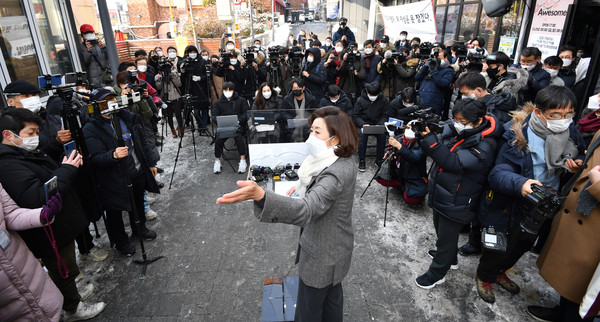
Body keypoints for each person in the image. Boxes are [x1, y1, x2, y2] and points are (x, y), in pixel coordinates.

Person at [216, 106, 360, 322]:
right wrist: (304, 188)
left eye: (317, 132)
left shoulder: (335, 173)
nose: (311, 136)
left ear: (335, 138)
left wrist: (262, 196)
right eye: (311, 130)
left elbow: (307, 209)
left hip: (323, 257)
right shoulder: (338, 158)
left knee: (307, 312)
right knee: (331, 303)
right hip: (337, 251)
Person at [474, 86, 585, 304]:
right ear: (538, 113)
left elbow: (579, 150)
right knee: (497, 244)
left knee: (523, 243)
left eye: (568, 115)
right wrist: (521, 182)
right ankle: (485, 276)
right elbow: (497, 174)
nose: (563, 120)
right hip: (510, 199)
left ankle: (500, 271)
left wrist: (576, 162)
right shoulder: (515, 135)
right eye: (556, 116)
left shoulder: (569, 132)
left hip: (543, 202)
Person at [0, 107, 106, 321]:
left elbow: (40, 171)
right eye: (30, 133)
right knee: (61, 267)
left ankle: (71, 294)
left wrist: (56, 147)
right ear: (8, 135)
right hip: (47, 231)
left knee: (67, 264)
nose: (35, 138)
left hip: (58, 225)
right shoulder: (7, 165)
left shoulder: (20, 152)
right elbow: (37, 196)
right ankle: (73, 307)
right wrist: (66, 169)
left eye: (37, 132)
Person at [415, 99, 503, 289]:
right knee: (442, 232)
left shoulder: (486, 145)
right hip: (445, 191)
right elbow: (443, 142)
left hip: (459, 199)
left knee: (447, 237)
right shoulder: (462, 131)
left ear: (479, 120)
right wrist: (429, 132)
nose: (457, 124)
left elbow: (453, 163)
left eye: (462, 121)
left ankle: (437, 273)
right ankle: (450, 258)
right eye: (455, 119)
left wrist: (430, 141)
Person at [529, 131, 600, 321]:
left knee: (581, 287)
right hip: (578, 213)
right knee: (570, 279)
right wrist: (579, 165)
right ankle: (562, 311)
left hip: (593, 228)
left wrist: (598, 184)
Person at [83, 88, 160, 256]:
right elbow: (93, 158)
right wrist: (112, 155)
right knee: (115, 212)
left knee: (138, 203)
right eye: (105, 101)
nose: (110, 104)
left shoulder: (126, 118)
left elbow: (142, 141)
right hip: (113, 179)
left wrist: (151, 162)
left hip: (136, 170)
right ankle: (121, 241)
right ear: (97, 106)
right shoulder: (91, 129)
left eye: (112, 99)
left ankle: (139, 229)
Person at [0, 183, 64, 321]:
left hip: (23, 268)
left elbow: (10, 214)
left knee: (47, 312)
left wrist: (42, 215)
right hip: (5, 295)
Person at [211, 82, 249, 174]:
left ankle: (243, 160)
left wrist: (239, 120)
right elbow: (213, 116)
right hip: (224, 127)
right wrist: (219, 121)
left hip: (237, 126)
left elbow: (247, 113)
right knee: (218, 140)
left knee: (240, 139)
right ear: (223, 91)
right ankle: (217, 161)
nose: (228, 92)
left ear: (233, 90)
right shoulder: (218, 102)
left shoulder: (241, 100)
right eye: (225, 90)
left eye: (230, 90)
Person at [387, 121, 428, 205]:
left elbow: (414, 157)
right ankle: (401, 186)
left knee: (410, 199)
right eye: (408, 128)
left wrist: (399, 146)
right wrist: (389, 154)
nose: (410, 130)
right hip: (400, 171)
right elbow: (390, 148)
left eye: (413, 129)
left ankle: (412, 192)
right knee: (381, 178)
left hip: (414, 175)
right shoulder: (400, 138)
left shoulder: (422, 143)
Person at [351, 82, 389, 171]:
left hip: (378, 123)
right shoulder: (360, 100)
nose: (373, 97)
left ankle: (379, 159)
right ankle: (362, 160)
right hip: (365, 124)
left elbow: (385, 114)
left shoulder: (383, 100)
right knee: (362, 136)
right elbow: (355, 115)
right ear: (367, 91)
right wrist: (363, 124)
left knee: (382, 135)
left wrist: (380, 124)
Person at [415, 48, 455, 116]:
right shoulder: (428, 67)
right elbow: (417, 77)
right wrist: (425, 66)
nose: (436, 59)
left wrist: (434, 71)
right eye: (434, 57)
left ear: (445, 58)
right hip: (420, 100)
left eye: (438, 57)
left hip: (434, 103)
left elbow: (443, 83)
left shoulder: (449, 70)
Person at [280, 78, 320, 142]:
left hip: (307, 127)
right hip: (292, 127)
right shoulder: (287, 99)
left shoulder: (311, 99)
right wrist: (292, 119)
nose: (296, 89)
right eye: (294, 88)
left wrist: (308, 119)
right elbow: (283, 112)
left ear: (303, 88)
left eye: (298, 87)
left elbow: (316, 112)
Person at [181, 45, 211, 129]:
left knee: (204, 109)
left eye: (194, 52)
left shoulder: (203, 62)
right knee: (196, 110)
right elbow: (183, 78)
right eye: (190, 52)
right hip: (192, 89)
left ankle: (204, 126)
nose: (192, 54)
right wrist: (183, 70)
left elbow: (208, 75)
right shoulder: (186, 63)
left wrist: (200, 78)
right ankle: (199, 124)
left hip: (202, 88)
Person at [155, 55, 183, 138]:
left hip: (176, 96)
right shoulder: (158, 76)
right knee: (169, 115)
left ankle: (180, 129)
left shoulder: (174, 72)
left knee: (178, 114)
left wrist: (174, 76)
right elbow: (159, 87)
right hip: (166, 96)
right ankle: (172, 130)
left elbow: (179, 84)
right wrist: (159, 79)